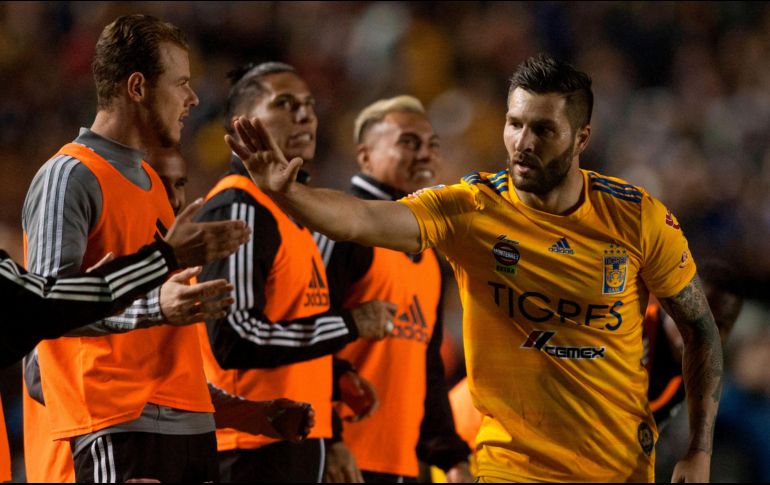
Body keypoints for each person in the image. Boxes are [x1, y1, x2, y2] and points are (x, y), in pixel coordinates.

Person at [227, 53, 724, 482]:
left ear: (581, 137)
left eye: (543, 129)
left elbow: (700, 331)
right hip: (510, 465)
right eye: (515, 123)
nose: (522, 142)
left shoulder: (636, 217)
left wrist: (700, 451)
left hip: (620, 466)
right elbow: (360, 219)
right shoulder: (471, 209)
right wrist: (289, 193)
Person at [20, 14, 252, 483]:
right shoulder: (69, 175)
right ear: (138, 87)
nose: (193, 99)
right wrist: (155, 305)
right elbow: (40, 307)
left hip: (188, 418)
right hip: (116, 422)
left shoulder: (151, 180)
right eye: (182, 83)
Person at [194, 61, 394, 483]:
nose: (305, 115)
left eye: (309, 105)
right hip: (250, 448)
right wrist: (349, 324)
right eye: (285, 104)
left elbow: (288, 322)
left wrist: (332, 379)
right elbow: (234, 338)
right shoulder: (239, 206)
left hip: (294, 440)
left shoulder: (291, 213)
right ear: (243, 125)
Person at [318, 95, 471, 483]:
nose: (425, 155)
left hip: (399, 464)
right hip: (338, 462)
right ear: (365, 156)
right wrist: (329, 441)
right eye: (408, 142)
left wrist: (449, 454)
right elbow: (306, 343)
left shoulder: (431, 256)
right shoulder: (341, 233)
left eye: (432, 145)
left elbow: (427, 368)